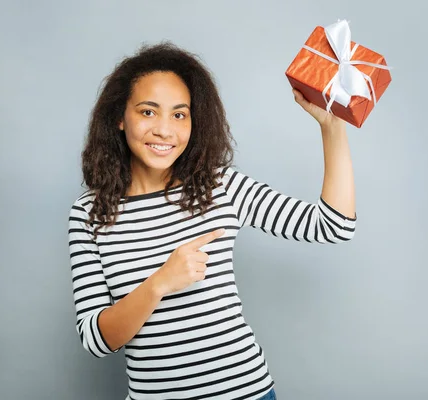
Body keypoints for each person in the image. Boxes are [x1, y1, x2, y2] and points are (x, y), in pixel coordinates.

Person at [67, 42, 356, 400]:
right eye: (147, 112)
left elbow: (333, 225)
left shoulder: (220, 186)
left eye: (179, 115)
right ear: (120, 118)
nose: (164, 130)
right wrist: (159, 282)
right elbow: (96, 340)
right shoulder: (89, 213)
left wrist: (332, 128)